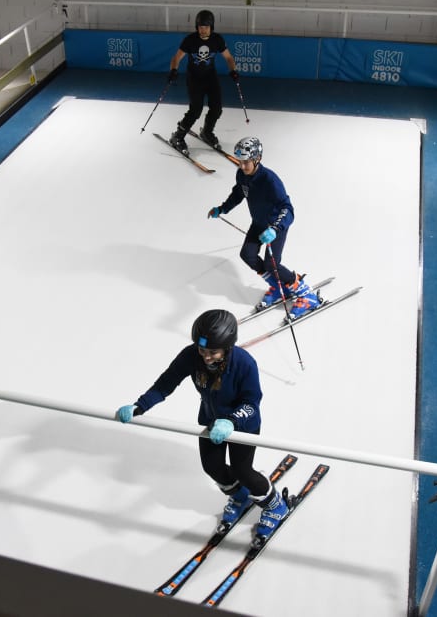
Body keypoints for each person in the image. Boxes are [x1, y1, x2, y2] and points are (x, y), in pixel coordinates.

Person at [115, 309, 289, 541]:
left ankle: (275, 506)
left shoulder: (244, 363)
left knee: (242, 470)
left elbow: (252, 402)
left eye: (213, 352)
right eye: (202, 350)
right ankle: (240, 496)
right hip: (210, 419)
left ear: (227, 347)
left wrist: (231, 421)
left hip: (243, 424)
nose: (206, 357)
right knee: (212, 467)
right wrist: (140, 406)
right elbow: (166, 383)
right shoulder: (190, 356)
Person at [207, 136, 321, 321]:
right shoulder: (241, 174)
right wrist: (222, 209)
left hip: (275, 226)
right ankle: (278, 286)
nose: (242, 166)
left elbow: (288, 209)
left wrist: (275, 229)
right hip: (258, 223)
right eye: (240, 162)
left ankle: (306, 293)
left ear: (257, 158)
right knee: (247, 254)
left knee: (271, 264)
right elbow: (238, 193)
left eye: (246, 162)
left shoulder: (270, 180)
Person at [168, 9, 239, 154]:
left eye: (206, 27)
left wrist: (233, 70)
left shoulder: (217, 39)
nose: (203, 30)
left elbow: (229, 58)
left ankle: (207, 132)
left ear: (211, 27)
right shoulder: (190, 40)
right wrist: (173, 70)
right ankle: (178, 137)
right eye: (200, 27)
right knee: (195, 110)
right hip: (194, 78)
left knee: (217, 108)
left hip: (210, 77)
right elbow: (176, 58)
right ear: (196, 27)